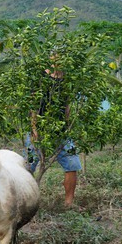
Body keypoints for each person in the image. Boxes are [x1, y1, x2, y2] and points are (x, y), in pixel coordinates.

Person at [25, 56, 82, 207]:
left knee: (73, 164)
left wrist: (69, 128)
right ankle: (25, 202)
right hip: (40, 131)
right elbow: (34, 106)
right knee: (28, 167)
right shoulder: (41, 79)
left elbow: (68, 106)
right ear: (51, 58)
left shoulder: (67, 80)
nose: (59, 60)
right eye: (56, 56)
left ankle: (68, 203)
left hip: (61, 133)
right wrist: (34, 129)